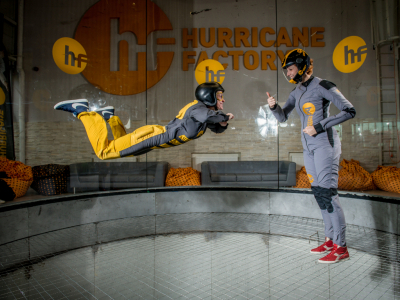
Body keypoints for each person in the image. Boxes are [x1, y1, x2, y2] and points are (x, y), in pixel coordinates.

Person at [266, 49, 356, 264]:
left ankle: (341, 247)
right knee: (318, 193)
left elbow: (349, 110)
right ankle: (330, 239)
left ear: (302, 65)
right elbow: (282, 117)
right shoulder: (296, 92)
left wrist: (320, 126)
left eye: (290, 68)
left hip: (325, 145)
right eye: (286, 70)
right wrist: (274, 107)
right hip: (308, 148)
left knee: (328, 193)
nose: (288, 73)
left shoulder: (323, 86)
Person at [54, 82, 234, 159]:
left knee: (124, 149)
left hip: (152, 140)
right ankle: (83, 111)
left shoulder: (203, 114)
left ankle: (109, 116)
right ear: (208, 96)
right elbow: (209, 117)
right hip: (151, 137)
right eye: (219, 96)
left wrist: (223, 123)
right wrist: (225, 117)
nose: (223, 100)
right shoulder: (199, 109)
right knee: (104, 152)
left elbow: (215, 126)